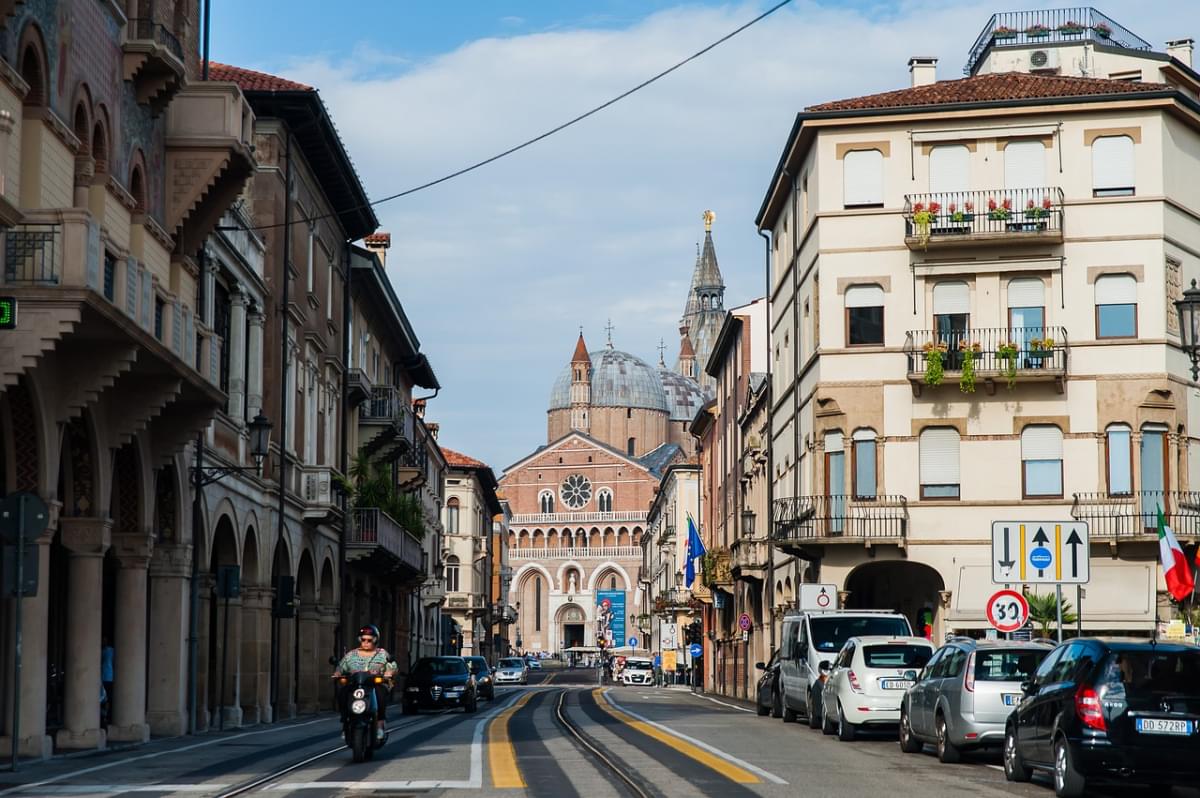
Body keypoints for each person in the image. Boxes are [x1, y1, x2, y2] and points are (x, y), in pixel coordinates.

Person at [332, 624, 396, 741]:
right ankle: (345, 723)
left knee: (380, 694)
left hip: (375, 684)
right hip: (355, 684)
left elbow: (392, 666)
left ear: (375, 640)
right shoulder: (351, 655)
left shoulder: (382, 654)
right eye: (363, 639)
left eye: (369, 640)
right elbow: (341, 666)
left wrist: (389, 672)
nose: (365, 642)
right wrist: (337, 672)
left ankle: (379, 725)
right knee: (343, 694)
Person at [100, 636, 115, 725]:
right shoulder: (101, 651)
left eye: (104, 640)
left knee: (108, 697)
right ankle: (103, 716)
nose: (103, 642)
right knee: (102, 697)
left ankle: (107, 715)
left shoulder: (110, 650)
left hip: (109, 677)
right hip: (102, 677)